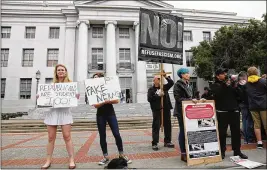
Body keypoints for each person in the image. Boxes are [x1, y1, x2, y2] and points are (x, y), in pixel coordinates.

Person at [41, 64, 79, 169]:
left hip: (64, 113)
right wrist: (41, 97)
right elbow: (45, 97)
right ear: (56, 72)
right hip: (52, 113)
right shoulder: (51, 85)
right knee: (50, 137)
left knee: (67, 136)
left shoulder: (70, 85)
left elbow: (75, 98)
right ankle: (48, 160)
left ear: (66, 72)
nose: (61, 71)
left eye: (62, 70)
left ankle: (71, 159)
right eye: (59, 70)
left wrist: (76, 96)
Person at [92, 73, 132, 165]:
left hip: (111, 114)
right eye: (94, 78)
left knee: (117, 134)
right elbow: (95, 105)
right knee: (102, 136)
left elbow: (116, 100)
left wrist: (105, 101)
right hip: (100, 115)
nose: (95, 79)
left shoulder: (109, 88)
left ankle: (121, 154)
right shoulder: (93, 91)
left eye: (97, 78)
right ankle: (105, 156)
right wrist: (105, 101)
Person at [210, 68, 248, 160]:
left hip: (234, 111)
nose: (225, 75)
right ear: (218, 76)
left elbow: (241, 97)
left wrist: (239, 86)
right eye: (223, 73)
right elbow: (218, 94)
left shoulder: (232, 85)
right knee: (222, 133)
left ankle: (237, 151)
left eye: (225, 73)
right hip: (222, 112)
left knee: (236, 133)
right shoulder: (214, 85)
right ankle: (222, 151)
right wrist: (225, 85)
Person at [173, 68, 205, 162]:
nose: (188, 74)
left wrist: (199, 100)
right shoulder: (177, 85)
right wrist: (190, 100)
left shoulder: (189, 84)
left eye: (188, 73)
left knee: (191, 130)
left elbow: (193, 97)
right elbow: (178, 98)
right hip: (181, 111)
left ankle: (191, 151)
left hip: (190, 111)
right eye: (186, 73)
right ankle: (183, 153)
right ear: (181, 75)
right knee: (183, 131)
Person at [147, 72, 174, 151]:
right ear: (154, 80)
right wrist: (158, 95)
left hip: (166, 108)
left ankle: (167, 141)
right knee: (156, 126)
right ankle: (155, 143)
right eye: (158, 79)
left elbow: (171, 82)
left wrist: (165, 76)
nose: (159, 80)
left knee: (168, 125)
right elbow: (149, 99)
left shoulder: (164, 87)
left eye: (160, 79)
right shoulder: (151, 89)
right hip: (157, 110)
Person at [246, 67, 267, 149]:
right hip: (264, 105)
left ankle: (259, 143)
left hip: (253, 106)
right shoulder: (263, 81)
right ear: (256, 72)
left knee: (256, 125)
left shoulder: (247, 83)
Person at [236, 71, 256, 144]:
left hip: (241, 104)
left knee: (244, 121)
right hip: (247, 104)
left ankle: (245, 139)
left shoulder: (237, 85)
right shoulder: (247, 85)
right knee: (249, 121)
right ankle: (249, 139)